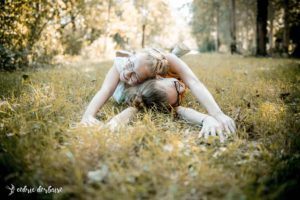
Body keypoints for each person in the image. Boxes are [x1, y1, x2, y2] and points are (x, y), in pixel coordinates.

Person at [80, 45, 236, 137]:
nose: (126, 73)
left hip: (160, 73)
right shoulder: (123, 66)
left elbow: (194, 82)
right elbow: (106, 90)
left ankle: (176, 52)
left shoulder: (161, 85)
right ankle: (176, 51)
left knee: (170, 60)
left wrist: (217, 114)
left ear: (155, 78)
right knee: (140, 72)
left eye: (135, 75)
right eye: (130, 65)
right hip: (124, 90)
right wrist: (88, 115)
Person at [106, 76, 227, 142]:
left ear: (160, 78)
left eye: (175, 85)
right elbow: (182, 111)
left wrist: (216, 114)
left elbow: (193, 81)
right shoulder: (167, 95)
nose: (182, 89)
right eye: (178, 98)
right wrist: (206, 119)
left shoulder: (161, 70)